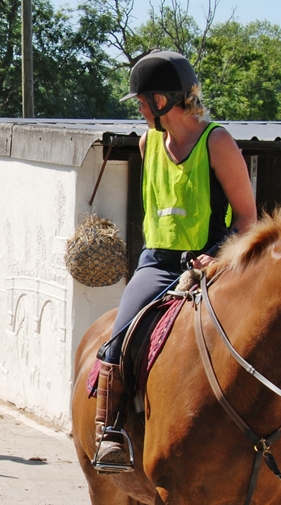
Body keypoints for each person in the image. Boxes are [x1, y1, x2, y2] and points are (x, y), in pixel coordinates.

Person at [92, 50, 258, 473]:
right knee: (117, 339)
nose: (141, 109)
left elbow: (246, 217)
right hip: (158, 263)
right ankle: (110, 432)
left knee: (273, 323)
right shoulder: (148, 142)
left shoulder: (217, 142)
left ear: (162, 101)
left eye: (143, 100)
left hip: (214, 263)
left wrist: (218, 257)